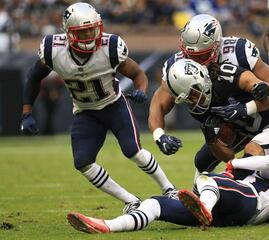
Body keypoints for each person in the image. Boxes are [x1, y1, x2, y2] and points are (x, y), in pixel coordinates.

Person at [20, 2, 177, 214]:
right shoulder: (52, 50)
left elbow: (138, 74)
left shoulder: (109, 47)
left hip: (114, 105)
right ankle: (131, 201)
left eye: (92, 30)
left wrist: (142, 90)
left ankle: (169, 189)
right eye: (82, 32)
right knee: (83, 162)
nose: (89, 36)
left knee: (133, 150)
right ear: (68, 33)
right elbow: (33, 77)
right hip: (85, 111)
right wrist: (27, 112)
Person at [149, 14, 269, 175]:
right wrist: (159, 134)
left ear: (216, 45)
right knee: (202, 161)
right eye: (189, 55)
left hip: (265, 118)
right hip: (234, 126)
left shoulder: (238, 53)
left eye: (201, 56)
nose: (194, 61)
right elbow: (158, 102)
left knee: (246, 171)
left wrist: (250, 104)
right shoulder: (179, 67)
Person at [66, 154, 269, 233]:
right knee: (155, 204)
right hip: (229, 215)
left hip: (251, 204)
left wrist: (234, 163)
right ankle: (107, 225)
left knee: (208, 178)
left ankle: (205, 208)